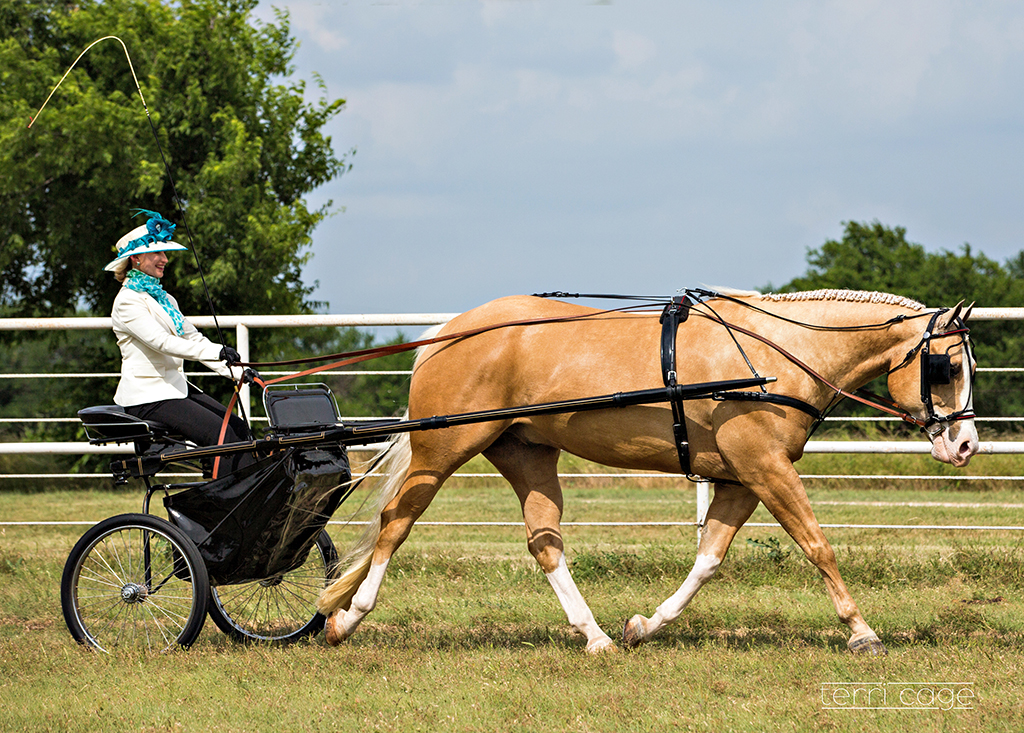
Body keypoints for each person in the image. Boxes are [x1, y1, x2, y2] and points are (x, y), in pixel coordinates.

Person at [105, 209, 254, 475]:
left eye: (165, 253)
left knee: (238, 428)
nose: (165, 259)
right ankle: (220, 505)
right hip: (147, 397)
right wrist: (218, 351)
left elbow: (193, 338)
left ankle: (239, 497)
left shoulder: (165, 299)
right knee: (220, 438)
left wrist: (236, 370)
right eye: (158, 253)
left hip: (173, 389)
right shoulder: (127, 301)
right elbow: (161, 342)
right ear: (136, 258)